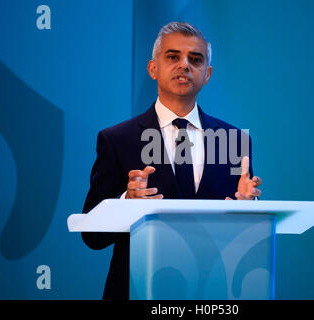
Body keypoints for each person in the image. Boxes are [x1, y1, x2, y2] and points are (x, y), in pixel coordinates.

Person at [82, 22, 263, 300]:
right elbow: (92, 236)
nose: (184, 65)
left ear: (207, 74)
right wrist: (125, 203)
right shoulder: (118, 139)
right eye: (173, 56)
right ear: (153, 68)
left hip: (215, 293)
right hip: (138, 291)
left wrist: (248, 209)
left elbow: (248, 236)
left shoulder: (235, 141)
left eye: (195, 59)